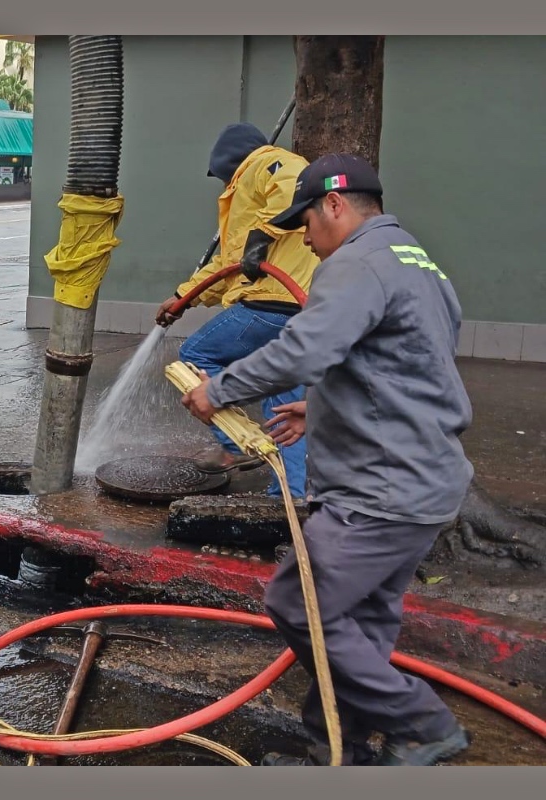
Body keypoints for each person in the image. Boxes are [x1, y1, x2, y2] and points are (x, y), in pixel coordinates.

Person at [180, 154, 473, 766]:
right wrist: (320, 407)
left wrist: (219, 388)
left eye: (307, 224)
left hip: (381, 492)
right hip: (422, 484)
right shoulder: (413, 258)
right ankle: (337, 752)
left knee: (297, 602)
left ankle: (422, 724)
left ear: (336, 204)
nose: (307, 242)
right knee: (360, 624)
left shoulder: (355, 264)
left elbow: (303, 347)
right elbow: (410, 358)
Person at [155, 123, 320, 499]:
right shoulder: (245, 199)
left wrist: (262, 236)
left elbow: (296, 181)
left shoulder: (267, 163)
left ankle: (235, 445)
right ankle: (289, 497)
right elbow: (229, 266)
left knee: (194, 357)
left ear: (229, 161)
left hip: (270, 301)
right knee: (285, 405)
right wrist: (183, 298)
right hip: (296, 312)